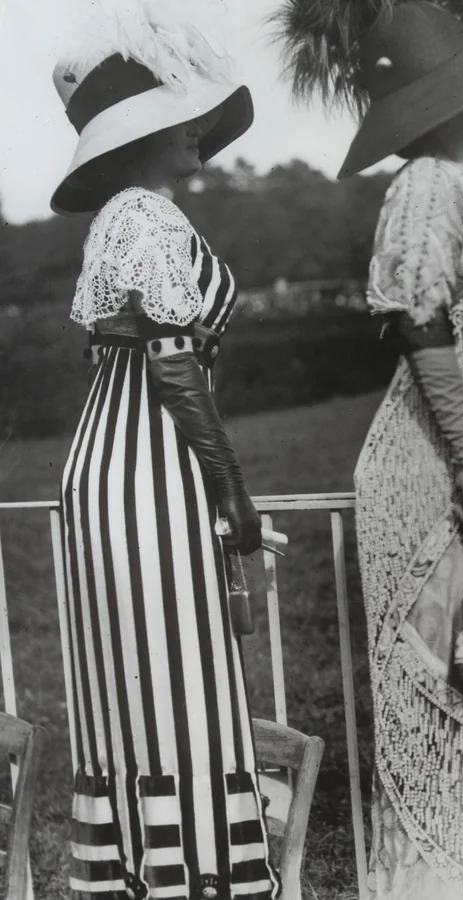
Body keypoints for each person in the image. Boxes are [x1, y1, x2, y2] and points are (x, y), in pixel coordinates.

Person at [275, 2, 463, 898]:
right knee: (453, 690)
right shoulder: (428, 187)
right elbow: (417, 318)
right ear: (442, 103)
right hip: (434, 476)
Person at [52, 3, 278, 898]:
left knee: (132, 687)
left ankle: (144, 871)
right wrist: (233, 496)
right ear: (136, 134)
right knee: (177, 681)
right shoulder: (145, 217)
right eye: (177, 115)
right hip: (152, 467)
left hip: (110, 465)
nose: (196, 128)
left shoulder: (118, 219)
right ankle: (195, 877)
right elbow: (177, 368)